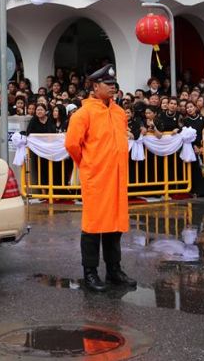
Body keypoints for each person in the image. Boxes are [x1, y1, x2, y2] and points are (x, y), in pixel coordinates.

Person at [65, 64, 136, 292]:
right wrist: (87, 163)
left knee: (115, 226)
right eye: (108, 84)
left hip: (117, 177)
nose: (113, 87)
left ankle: (114, 270)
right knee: (94, 226)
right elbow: (71, 144)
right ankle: (90, 272)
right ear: (95, 87)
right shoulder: (83, 114)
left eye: (114, 84)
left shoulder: (118, 112)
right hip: (96, 177)